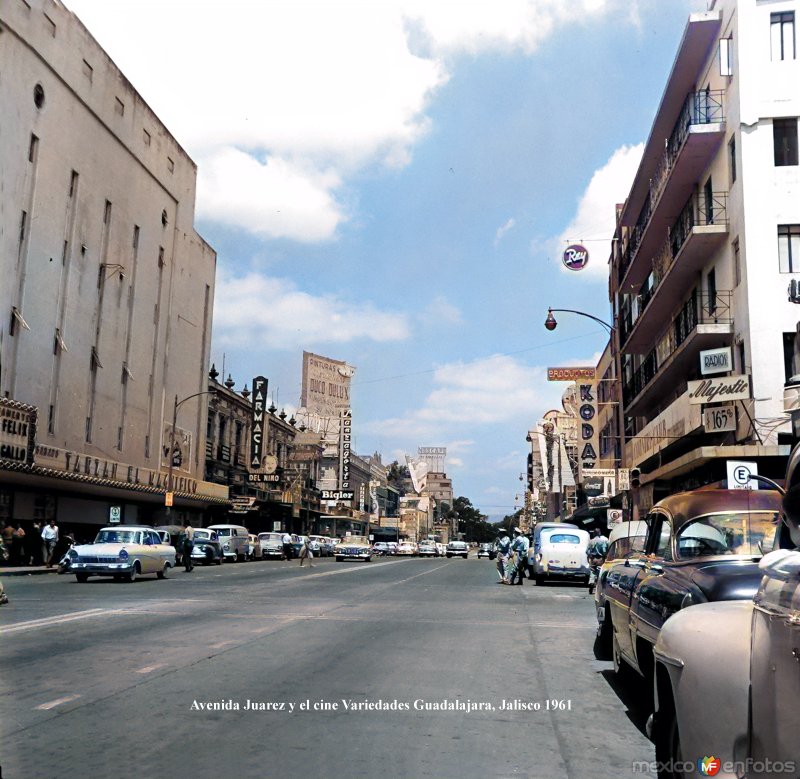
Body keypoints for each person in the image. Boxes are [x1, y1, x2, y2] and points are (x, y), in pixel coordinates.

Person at [587, 528, 610, 594]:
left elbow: (587, 551)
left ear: (594, 533)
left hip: (593, 559)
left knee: (592, 571)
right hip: (601, 559)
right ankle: (599, 587)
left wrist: (589, 557)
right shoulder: (604, 541)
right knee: (600, 573)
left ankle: (591, 582)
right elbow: (605, 551)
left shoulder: (591, 541)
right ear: (599, 533)